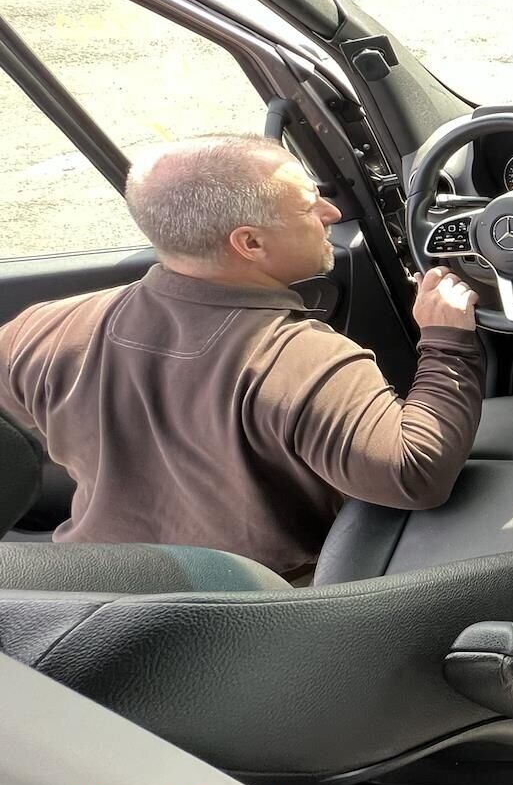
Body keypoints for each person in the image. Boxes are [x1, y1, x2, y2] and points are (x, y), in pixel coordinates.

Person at [0, 134, 484, 577]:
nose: (331, 213)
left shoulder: (41, 328)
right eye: (309, 205)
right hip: (253, 605)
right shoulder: (302, 359)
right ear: (250, 243)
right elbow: (414, 476)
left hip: (90, 587)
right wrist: (446, 340)